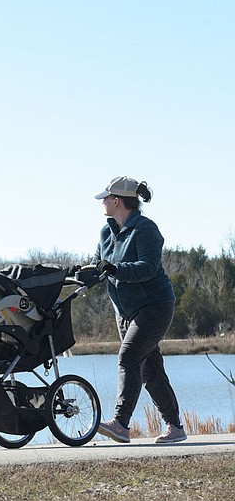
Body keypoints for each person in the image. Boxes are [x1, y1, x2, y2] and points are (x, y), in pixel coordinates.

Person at [91, 176, 186, 444]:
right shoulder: (106, 232)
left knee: (129, 358)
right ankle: (175, 427)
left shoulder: (145, 230)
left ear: (117, 201)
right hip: (126, 311)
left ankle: (121, 424)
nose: (102, 203)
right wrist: (82, 273)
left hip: (155, 306)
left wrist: (115, 269)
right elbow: (96, 264)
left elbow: (148, 267)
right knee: (150, 370)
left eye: (105, 198)